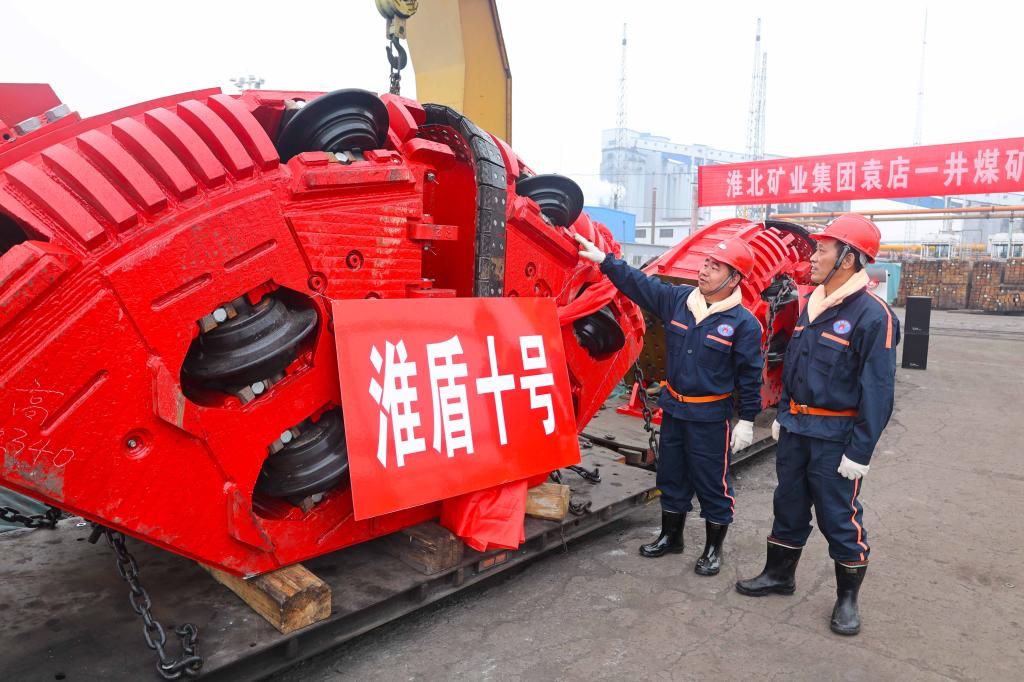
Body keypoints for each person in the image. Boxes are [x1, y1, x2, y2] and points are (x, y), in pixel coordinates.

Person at [734, 213, 899, 636]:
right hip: (797, 431)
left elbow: (878, 391)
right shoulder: (814, 302)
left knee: (838, 516)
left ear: (849, 258)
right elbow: (796, 363)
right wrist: (783, 414)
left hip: (835, 438)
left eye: (822, 250)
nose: (813, 256)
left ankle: (847, 599)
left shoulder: (873, 315)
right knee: (788, 505)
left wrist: (859, 452)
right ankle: (779, 575)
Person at [575, 232, 764, 575]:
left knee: (712, 481)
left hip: (710, 417)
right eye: (706, 263)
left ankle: (713, 548)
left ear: (734, 279)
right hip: (674, 410)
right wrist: (605, 261)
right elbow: (639, 284)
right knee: (671, 474)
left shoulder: (744, 325)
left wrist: (748, 420)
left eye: (716, 267)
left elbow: (750, 376)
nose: (704, 270)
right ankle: (671, 536)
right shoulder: (679, 301)